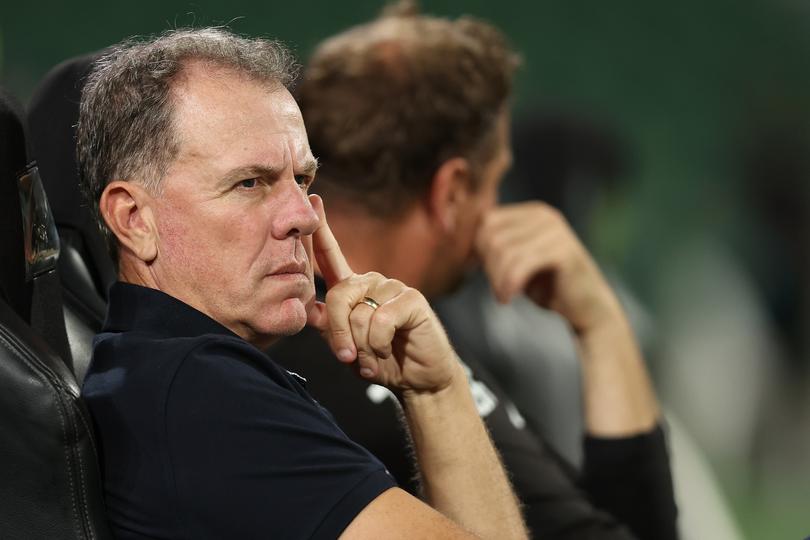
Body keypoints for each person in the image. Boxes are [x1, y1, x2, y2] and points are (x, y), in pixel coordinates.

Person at [76, 28, 528, 540]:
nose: (303, 216)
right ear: (133, 218)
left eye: (303, 180)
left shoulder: (155, 374)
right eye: (250, 183)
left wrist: (435, 391)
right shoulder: (205, 396)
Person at [269, 4, 678, 539]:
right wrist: (600, 323)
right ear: (453, 191)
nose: (496, 211)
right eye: (494, 183)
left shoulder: (263, 316)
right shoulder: (386, 352)